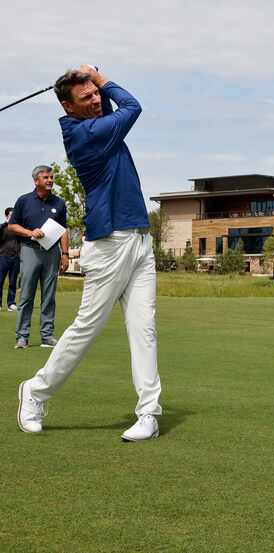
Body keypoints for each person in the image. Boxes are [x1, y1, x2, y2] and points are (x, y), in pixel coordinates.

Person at [17, 65, 162, 442]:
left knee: (144, 331)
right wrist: (101, 77)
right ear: (68, 106)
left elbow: (120, 108)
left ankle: (149, 411)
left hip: (141, 241)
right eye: (87, 96)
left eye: (97, 93)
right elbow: (132, 106)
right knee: (86, 330)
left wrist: (92, 80)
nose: (97, 99)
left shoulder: (97, 123)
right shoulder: (85, 134)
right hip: (110, 244)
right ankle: (34, 392)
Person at [7, 166, 69, 348]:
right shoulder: (24, 201)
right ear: (36, 181)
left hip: (52, 253)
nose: (50, 180)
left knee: (49, 296)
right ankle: (22, 336)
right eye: (46, 177)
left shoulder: (59, 203)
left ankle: (47, 336)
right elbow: (12, 226)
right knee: (26, 295)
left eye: (51, 177)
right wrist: (29, 232)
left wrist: (65, 254)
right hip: (30, 250)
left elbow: (64, 231)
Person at [0, 207, 21, 312]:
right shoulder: (2, 227)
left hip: (16, 258)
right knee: (0, 280)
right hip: (3, 257)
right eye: (11, 215)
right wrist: (6, 223)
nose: (13, 216)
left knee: (13, 282)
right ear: (7, 215)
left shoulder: (18, 228)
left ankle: (11, 303)